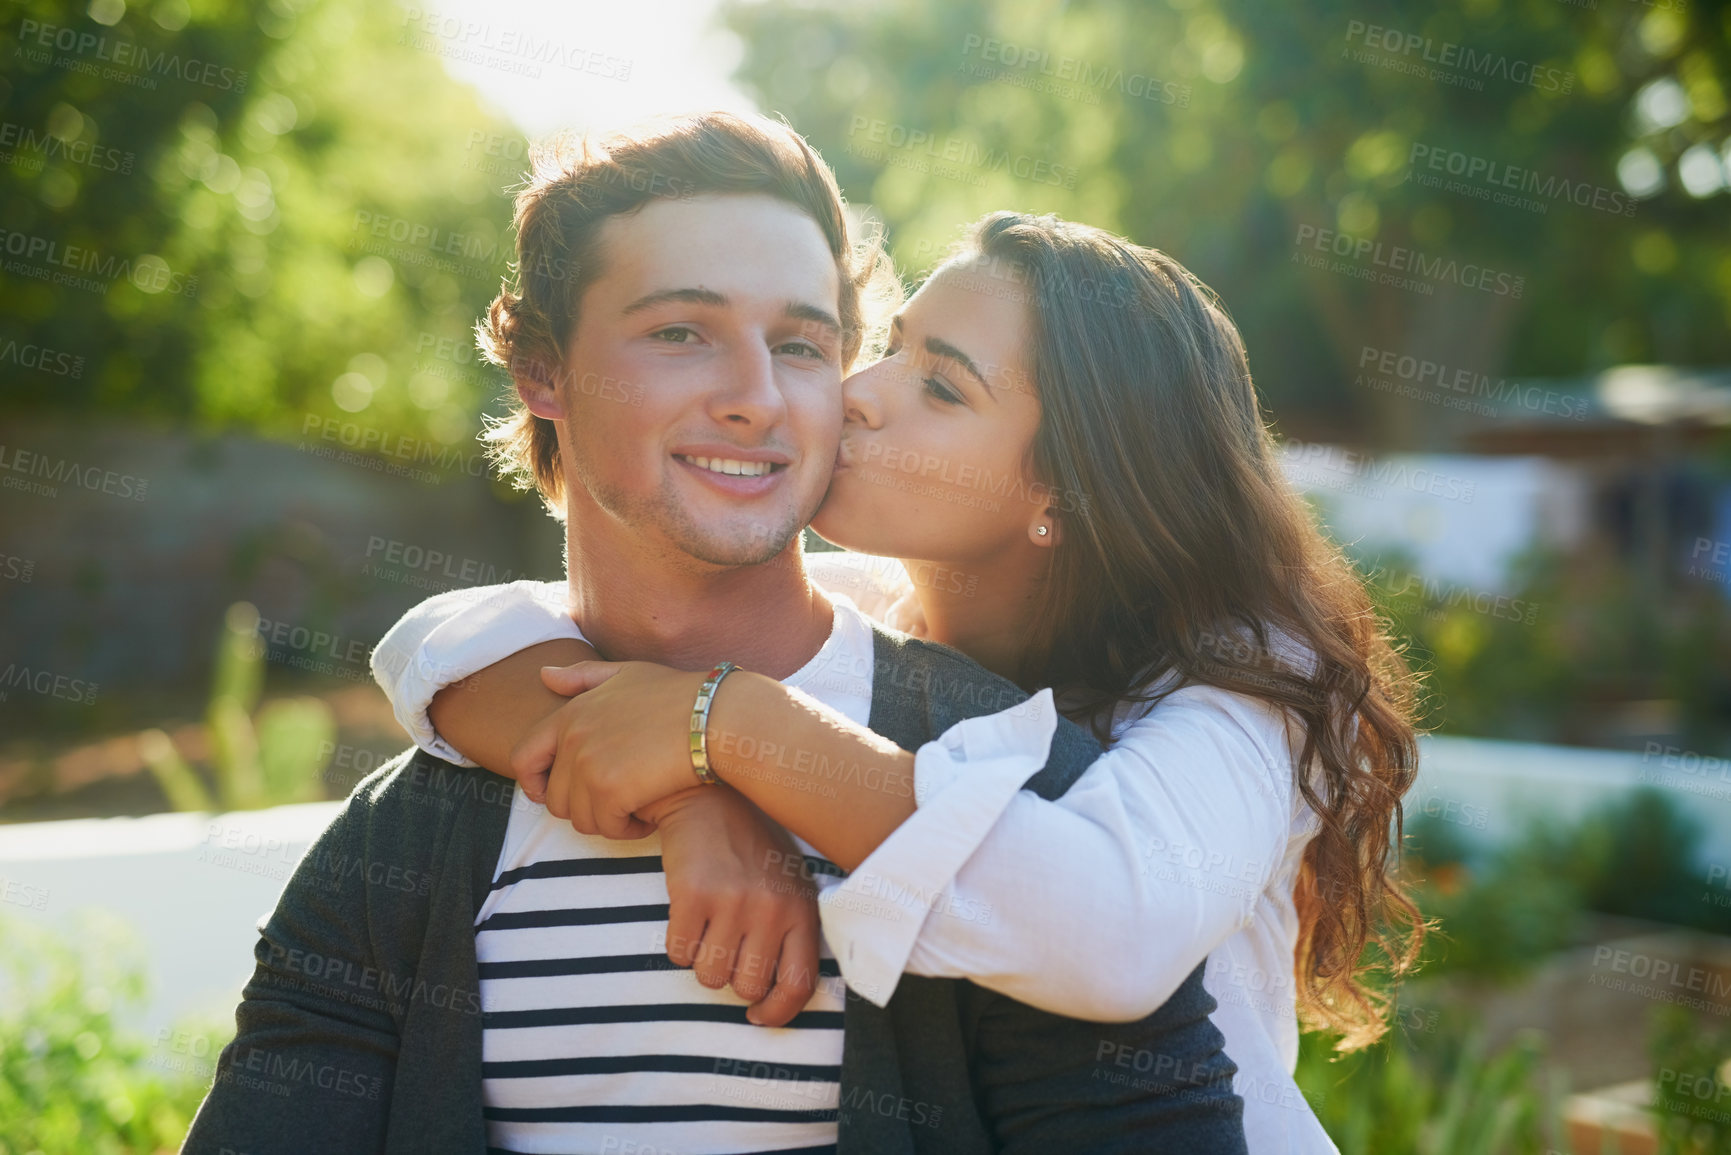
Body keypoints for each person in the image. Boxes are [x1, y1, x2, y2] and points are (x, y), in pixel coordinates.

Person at [182, 111, 1246, 1155]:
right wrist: (692, 788)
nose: (754, 398)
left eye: (799, 344)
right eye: (680, 332)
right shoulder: (411, 839)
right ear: (543, 372)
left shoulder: (1002, 780)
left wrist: (720, 732)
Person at [375, 210, 1427, 1153]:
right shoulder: (869, 612)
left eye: (940, 385)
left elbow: (1107, 935)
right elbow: (449, 636)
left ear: (1063, 486)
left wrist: (733, 721)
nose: (858, 394)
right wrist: (688, 793)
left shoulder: (1234, 683)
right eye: (887, 347)